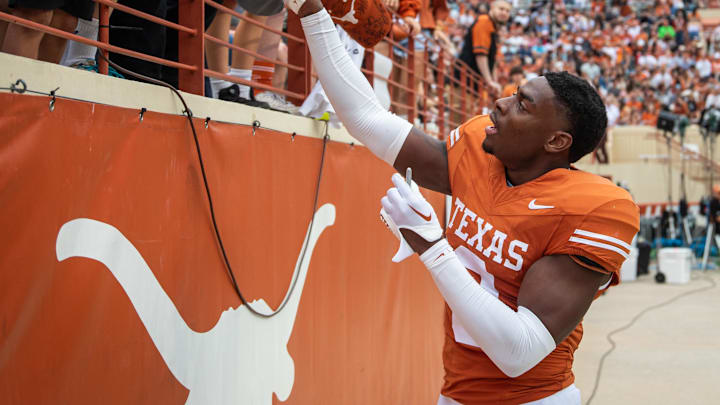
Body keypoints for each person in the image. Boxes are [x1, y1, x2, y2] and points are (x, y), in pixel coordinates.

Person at [285, 1, 640, 404]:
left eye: (524, 104)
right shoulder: (480, 153)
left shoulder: (593, 209)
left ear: (556, 142)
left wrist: (434, 249)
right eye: (513, 94)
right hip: (456, 393)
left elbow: (518, 351)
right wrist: (312, 14)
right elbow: (367, 118)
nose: (503, 103)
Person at [457, 0, 511, 98]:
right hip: (464, 82)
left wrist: (493, 82)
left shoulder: (493, 28)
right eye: (501, 9)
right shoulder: (484, 21)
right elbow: (481, 55)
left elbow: (492, 61)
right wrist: (490, 81)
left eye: (507, 11)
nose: (504, 12)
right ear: (492, 8)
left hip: (473, 84)